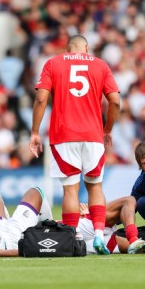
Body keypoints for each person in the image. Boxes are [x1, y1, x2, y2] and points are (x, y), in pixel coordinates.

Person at [29, 35, 120, 255]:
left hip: (63, 135)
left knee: (70, 190)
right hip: (93, 135)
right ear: (86, 48)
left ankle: (72, 237)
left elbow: (41, 98)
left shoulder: (53, 63)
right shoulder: (100, 65)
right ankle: (98, 234)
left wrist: (34, 132)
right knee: (95, 186)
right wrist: (107, 129)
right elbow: (115, 101)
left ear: (67, 48)